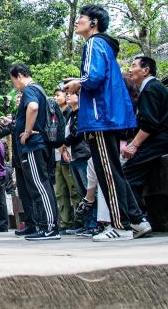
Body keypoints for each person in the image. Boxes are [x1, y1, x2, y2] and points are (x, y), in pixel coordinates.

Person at [63, 5, 153, 241]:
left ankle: (121, 225)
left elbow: (93, 78)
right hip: (108, 115)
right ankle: (137, 220)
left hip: (100, 116)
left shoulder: (94, 43)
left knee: (108, 173)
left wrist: (78, 83)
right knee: (112, 171)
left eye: (81, 18)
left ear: (94, 22)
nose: (77, 21)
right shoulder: (104, 45)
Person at [10, 64, 61, 240]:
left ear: (19, 76)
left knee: (40, 185)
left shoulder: (29, 90)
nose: (15, 86)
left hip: (33, 145)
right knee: (42, 185)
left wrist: (27, 132)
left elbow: (32, 107)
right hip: (39, 145)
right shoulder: (39, 89)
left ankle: (50, 228)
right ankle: (46, 225)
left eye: (14, 81)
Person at [123, 55, 168, 212]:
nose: (130, 70)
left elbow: (150, 124)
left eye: (134, 66)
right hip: (159, 140)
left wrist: (134, 145)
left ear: (146, 70)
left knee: (126, 175)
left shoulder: (150, 89)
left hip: (158, 141)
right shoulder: (154, 87)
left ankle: (138, 218)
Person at [62, 90, 97, 235]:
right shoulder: (71, 114)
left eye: (71, 93)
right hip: (74, 155)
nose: (68, 95)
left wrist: (62, 143)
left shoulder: (82, 112)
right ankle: (87, 223)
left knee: (90, 189)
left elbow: (77, 133)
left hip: (84, 153)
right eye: (66, 94)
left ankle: (95, 223)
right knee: (82, 191)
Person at [53, 87, 82, 232]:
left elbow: (73, 133)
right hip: (57, 156)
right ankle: (65, 222)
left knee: (74, 188)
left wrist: (64, 147)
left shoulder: (71, 112)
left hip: (69, 154)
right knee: (60, 191)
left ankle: (80, 220)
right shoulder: (55, 113)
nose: (55, 98)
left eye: (58, 95)